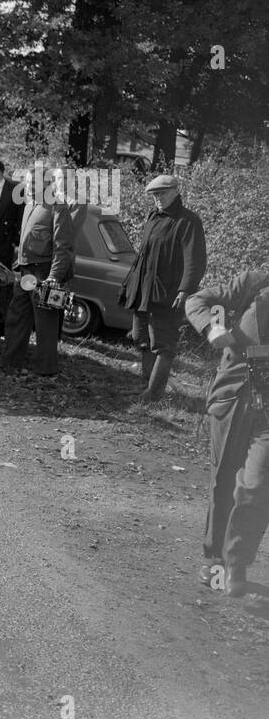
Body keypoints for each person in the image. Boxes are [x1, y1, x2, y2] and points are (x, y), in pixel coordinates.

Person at [185, 269, 269, 599]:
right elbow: (198, 300)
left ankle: (238, 560)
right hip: (234, 397)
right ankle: (215, 559)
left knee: (258, 484)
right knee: (223, 480)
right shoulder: (253, 283)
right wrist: (213, 326)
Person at [119, 174, 207, 401]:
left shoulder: (188, 221)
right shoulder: (153, 216)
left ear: (176, 191)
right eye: (155, 195)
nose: (158, 198)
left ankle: (153, 394)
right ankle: (146, 386)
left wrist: (185, 290)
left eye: (162, 193)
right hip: (144, 289)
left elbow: (195, 261)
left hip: (167, 293)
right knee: (140, 337)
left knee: (163, 345)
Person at [0, 182, 76, 377]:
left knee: (46, 324)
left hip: (45, 272)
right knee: (17, 315)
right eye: (27, 182)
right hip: (26, 271)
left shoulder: (58, 206)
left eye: (34, 182)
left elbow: (63, 246)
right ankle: (10, 362)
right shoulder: (30, 204)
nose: (29, 186)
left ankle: (45, 369)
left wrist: (54, 277)